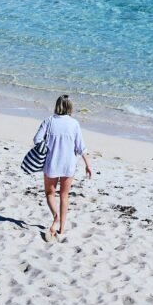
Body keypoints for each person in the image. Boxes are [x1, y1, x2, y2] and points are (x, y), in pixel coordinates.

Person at [34, 95, 92, 242]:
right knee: (64, 196)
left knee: (49, 193)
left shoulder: (49, 121)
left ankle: (56, 218)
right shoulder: (74, 124)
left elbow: (37, 140)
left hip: (51, 163)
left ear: (57, 105)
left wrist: (48, 146)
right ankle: (62, 227)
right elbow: (81, 147)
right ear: (70, 107)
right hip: (69, 164)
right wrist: (88, 164)